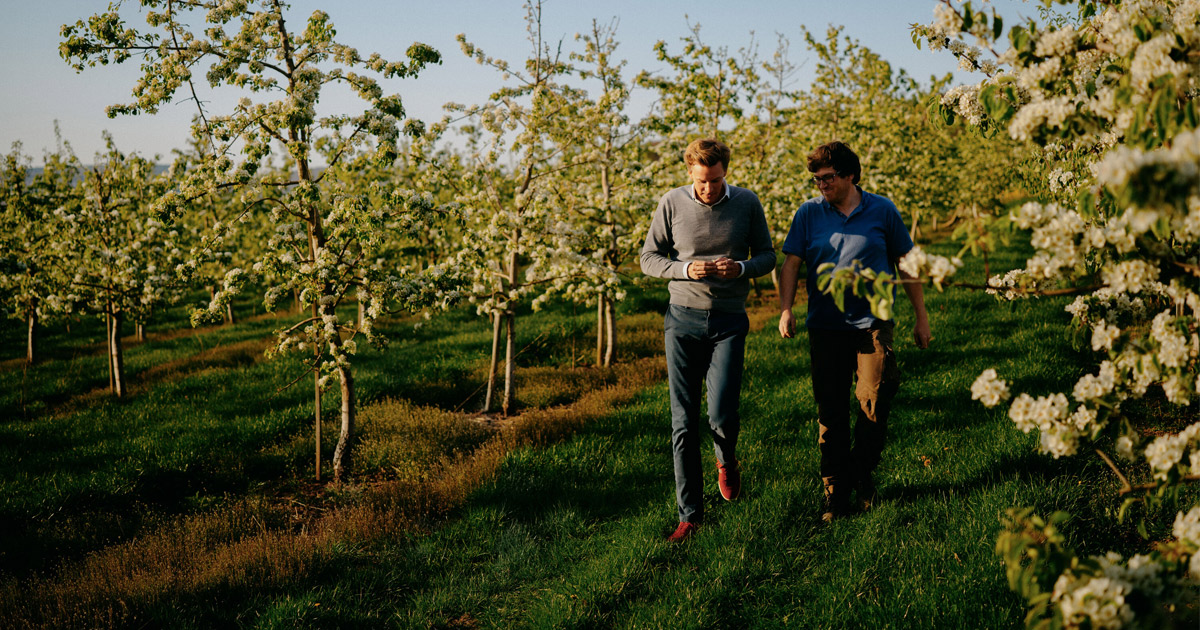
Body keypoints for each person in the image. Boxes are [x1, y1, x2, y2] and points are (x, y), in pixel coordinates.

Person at [777, 140, 931, 523]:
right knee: (830, 410)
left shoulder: (882, 210)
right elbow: (792, 262)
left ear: (850, 176)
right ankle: (835, 492)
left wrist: (920, 316)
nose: (822, 186)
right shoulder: (809, 214)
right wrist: (785, 308)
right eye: (816, 180)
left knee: (874, 402)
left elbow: (906, 262)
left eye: (828, 178)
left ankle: (862, 475)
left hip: (873, 324)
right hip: (826, 328)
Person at [640, 137, 776, 542]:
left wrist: (740, 268)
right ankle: (690, 515)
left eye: (715, 181)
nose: (708, 189)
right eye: (701, 182)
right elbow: (649, 258)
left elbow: (768, 256)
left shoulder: (748, 203)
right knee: (682, 421)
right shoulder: (672, 203)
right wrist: (685, 270)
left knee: (720, 415)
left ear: (725, 173)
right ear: (689, 173)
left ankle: (726, 459)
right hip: (681, 321)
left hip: (729, 321)